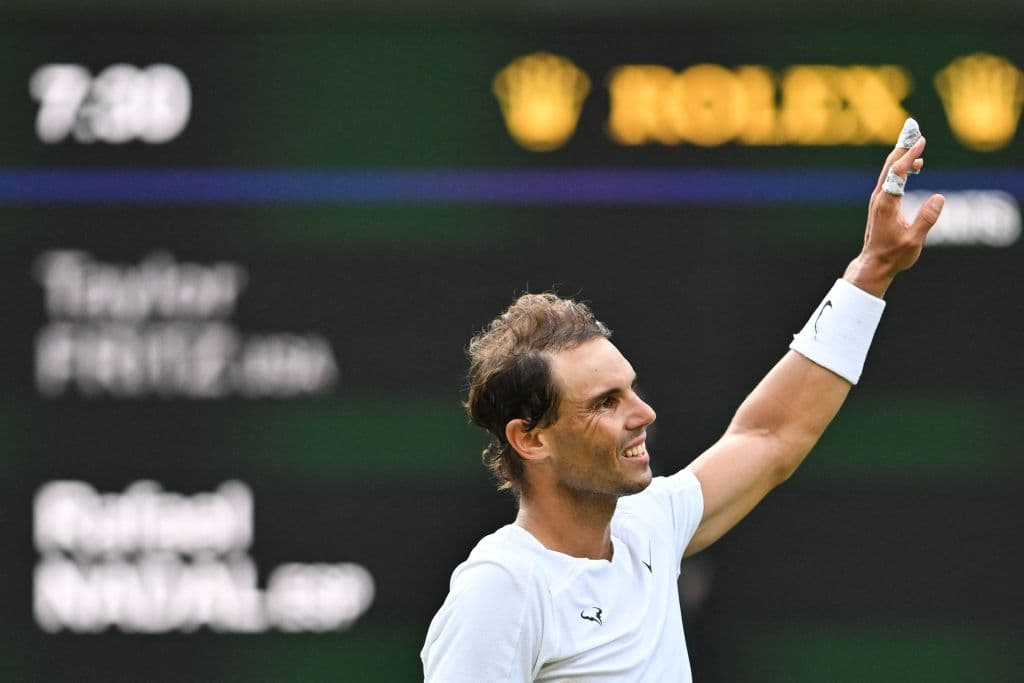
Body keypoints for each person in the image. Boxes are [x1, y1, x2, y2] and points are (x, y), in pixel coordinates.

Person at [421, 119, 944, 682]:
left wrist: (873, 270)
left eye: (631, 389)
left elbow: (770, 437)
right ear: (530, 438)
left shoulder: (647, 526)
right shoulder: (501, 588)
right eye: (605, 402)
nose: (642, 413)